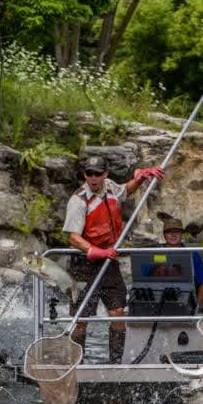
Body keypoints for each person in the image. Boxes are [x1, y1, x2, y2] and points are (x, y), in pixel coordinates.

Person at [63, 155, 164, 363]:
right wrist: (94, 251)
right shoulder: (78, 200)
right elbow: (73, 237)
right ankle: (77, 363)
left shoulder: (109, 187)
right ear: (85, 175)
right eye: (89, 174)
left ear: (105, 174)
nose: (93, 178)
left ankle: (116, 361)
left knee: (118, 312)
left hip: (109, 261)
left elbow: (125, 191)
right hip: (85, 263)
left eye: (98, 174)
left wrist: (141, 178)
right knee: (81, 318)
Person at [159, 216, 203, 311]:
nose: (173, 235)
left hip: (185, 303)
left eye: (177, 232)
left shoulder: (193, 254)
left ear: (182, 234)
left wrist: (196, 307)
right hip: (157, 301)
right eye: (169, 232)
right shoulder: (152, 252)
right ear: (164, 235)